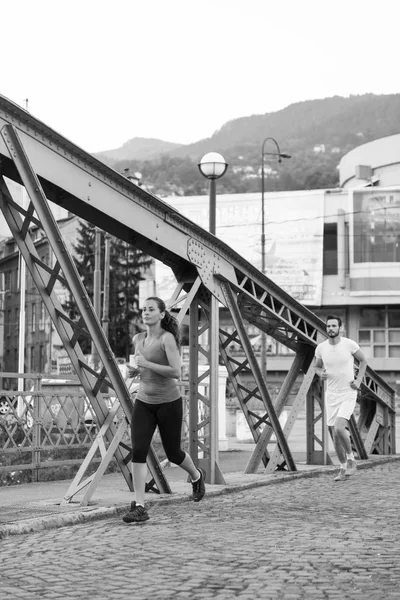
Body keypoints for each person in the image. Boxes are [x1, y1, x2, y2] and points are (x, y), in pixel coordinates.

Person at [122, 296, 206, 523]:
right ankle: (139, 505)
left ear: (161, 314)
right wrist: (135, 372)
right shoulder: (138, 339)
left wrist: (147, 365)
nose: (146, 313)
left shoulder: (167, 339)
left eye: (151, 309)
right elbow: (143, 368)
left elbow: (176, 371)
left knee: (173, 453)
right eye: (144, 309)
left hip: (169, 402)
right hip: (144, 401)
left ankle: (197, 476)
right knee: (138, 450)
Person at [314, 315, 368, 482]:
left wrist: (358, 380)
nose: (330, 328)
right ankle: (343, 469)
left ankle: (352, 460)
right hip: (331, 394)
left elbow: (363, 360)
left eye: (334, 326)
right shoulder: (321, 348)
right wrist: (319, 373)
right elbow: (316, 367)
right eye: (328, 326)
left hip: (348, 393)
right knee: (335, 436)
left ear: (340, 328)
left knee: (339, 428)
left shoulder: (349, 344)